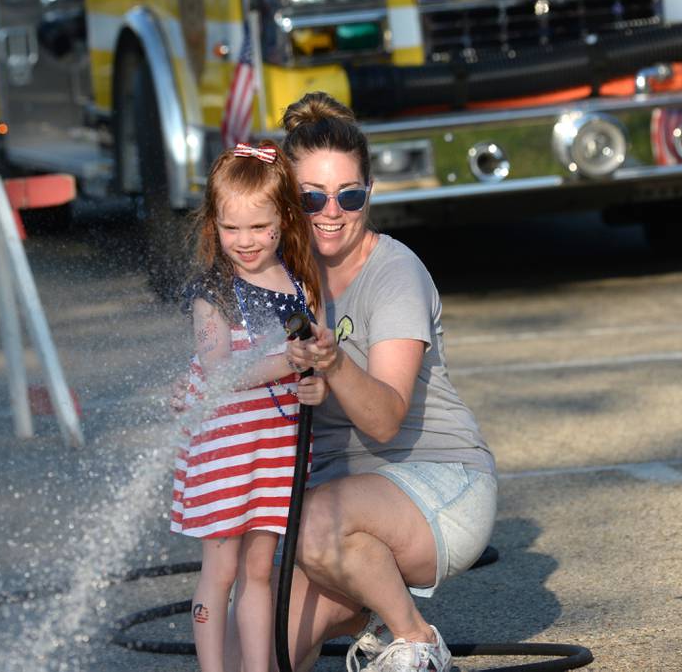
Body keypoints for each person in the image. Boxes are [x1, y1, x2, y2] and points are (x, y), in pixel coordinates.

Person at [277, 92, 499, 672]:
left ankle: (415, 638)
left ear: (368, 193)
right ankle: (372, 609)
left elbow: (384, 418)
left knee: (311, 522)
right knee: (256, 642)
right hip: (339, 512)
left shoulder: (395, 272)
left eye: (348, 194)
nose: (331, 211)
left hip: (438, 482)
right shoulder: (278, 279)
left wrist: (333, 361)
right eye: (311, 196)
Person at [169, 140, 328, 672]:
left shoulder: (300, 287)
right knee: (221, 567)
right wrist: (290, 361)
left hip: (277, 449)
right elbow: (220, 373)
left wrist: (315, 385)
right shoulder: (212, 291)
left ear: (284, 218)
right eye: (231, 228)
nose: (245, 242)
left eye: (259, 228)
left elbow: (309, 371)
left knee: (261, 569)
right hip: (226, 452)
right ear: (214, 224)